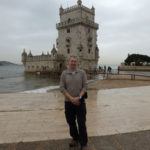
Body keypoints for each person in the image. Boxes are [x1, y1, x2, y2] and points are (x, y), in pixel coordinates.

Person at [60, 56, 88, 150]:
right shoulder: (64, 73)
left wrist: (79, 97)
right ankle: (75, 139)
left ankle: (83, 143)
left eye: (75, 61)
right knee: (71, 122)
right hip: (68, 102)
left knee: (81, 123)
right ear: (69, 62)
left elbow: (85, 86)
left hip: (80, 102)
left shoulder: (82, 73)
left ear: (77, 63)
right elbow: (62, 88)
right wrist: (71, 98)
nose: (73, 63)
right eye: (72, 61)